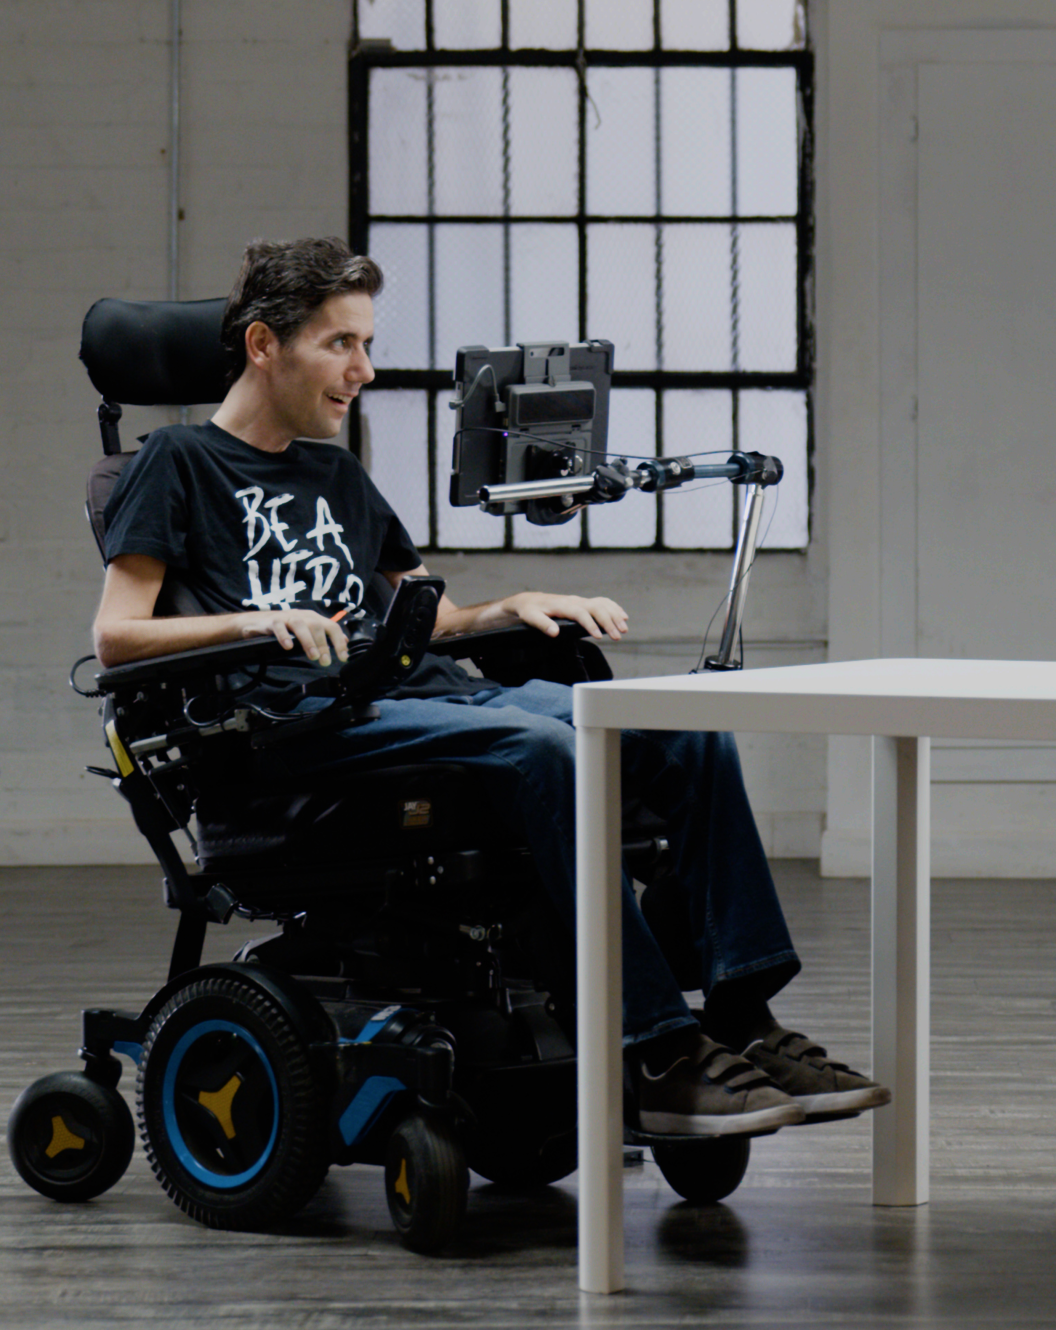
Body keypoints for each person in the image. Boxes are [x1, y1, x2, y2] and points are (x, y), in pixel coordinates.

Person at [93, 236, 889, 1137]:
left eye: (366, 344)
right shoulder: (175, 463)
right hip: (300, 730)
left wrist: (513, 606)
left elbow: (422, 614)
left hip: (419, 697)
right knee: (547, 749)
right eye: (340, 345)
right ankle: (657, 1051)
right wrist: (249, 622)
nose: (365, 369)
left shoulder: (336, 472)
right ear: (264, 346)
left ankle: (744, 1016)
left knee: (679, 727)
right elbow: (116, 636)